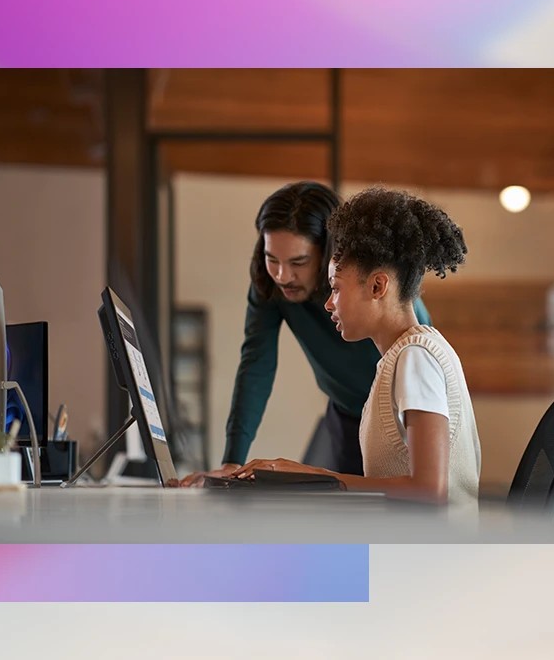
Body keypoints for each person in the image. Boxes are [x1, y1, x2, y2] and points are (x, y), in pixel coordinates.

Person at [232, 187, 482, 507]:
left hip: (428, 553)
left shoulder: (415, 359)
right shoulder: (401, 358)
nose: (327, 303)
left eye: (335, 288)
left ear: (378, 286)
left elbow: (429, 489)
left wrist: (315, 475)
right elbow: (255, 362)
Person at [178, 181, 430, 486]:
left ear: (329, 254)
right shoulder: (270, 285)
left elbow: (420, 367)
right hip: (345, 413)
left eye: (299, 262)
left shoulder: (375, 292)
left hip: (398, 416)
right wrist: (232, 460)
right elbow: (256, 364)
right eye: (272, 259)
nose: (283, 276)